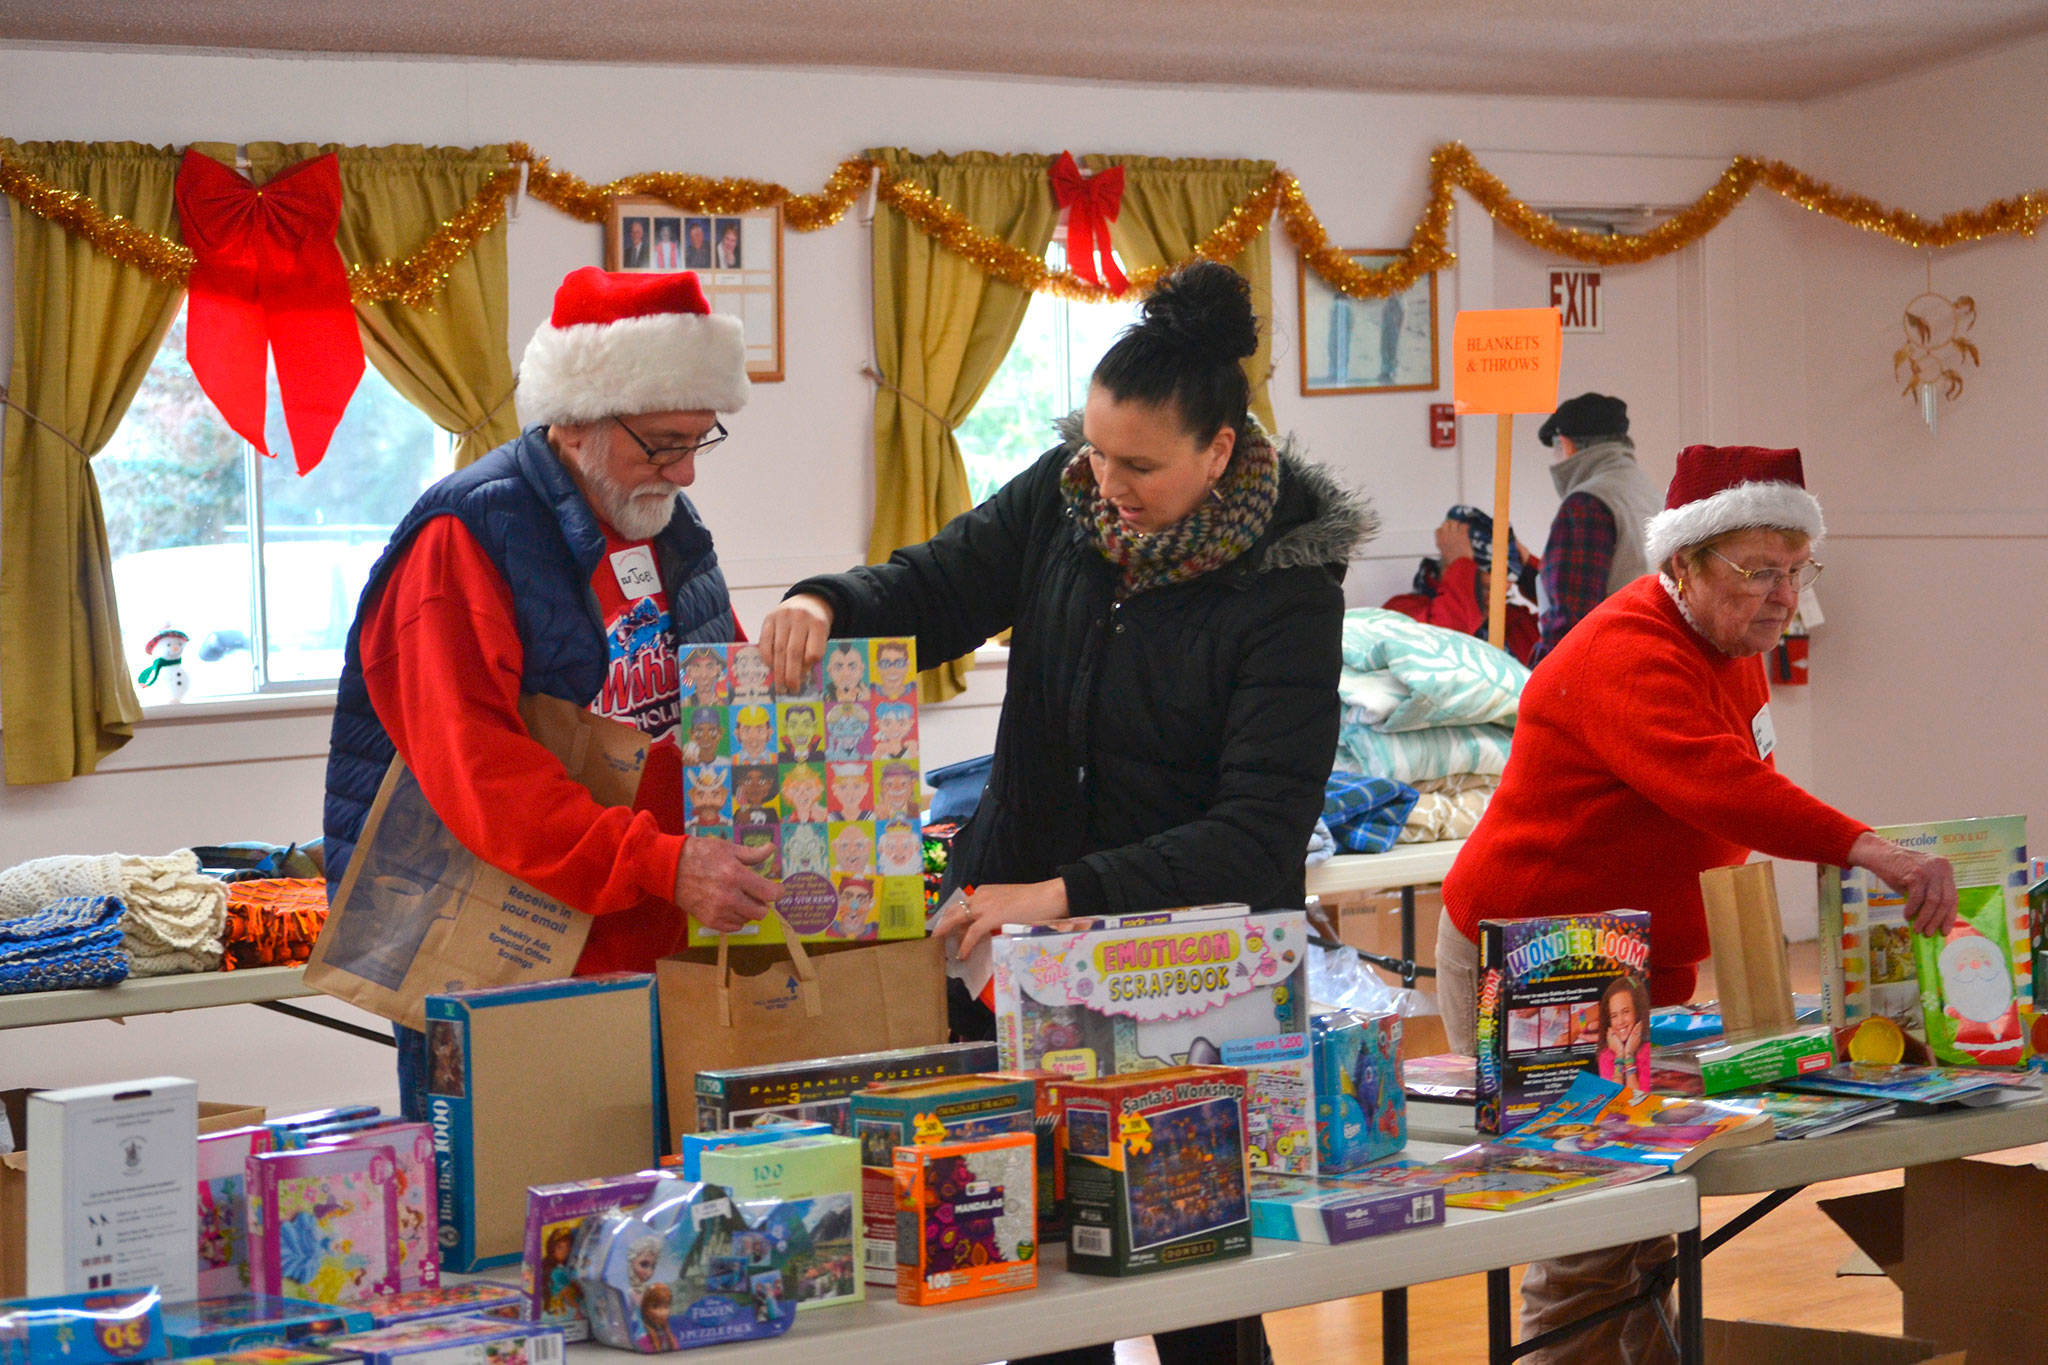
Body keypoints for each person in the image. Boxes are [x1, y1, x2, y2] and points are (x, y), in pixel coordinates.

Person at [760, 261, 1372, 1365]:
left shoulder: (1285, 589)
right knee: (1033, 1271)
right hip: (1015, 967)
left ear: (1219, 451)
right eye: (1092, 450)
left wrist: (1062, 895)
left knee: (1197, 1281)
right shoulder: (1061, 497)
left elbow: (1257, 834)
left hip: (1185, 984)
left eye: (1137, 464)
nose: (1105, 482)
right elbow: (937, 584)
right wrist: (827, 602)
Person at [1435, 443, 1958, 1364]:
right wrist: (1868, 846)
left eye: (1798, 571)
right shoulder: (1630, 648)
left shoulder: (1732, 643)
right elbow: (1721, 785)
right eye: (1759, 571)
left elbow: (1739, 779)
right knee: (1591, 1242)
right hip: (1536, 960)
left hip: (1630, 969)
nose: (1785, 596)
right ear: (1682, 562)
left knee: (1640, 1238)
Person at [323, 268, 779, 1093]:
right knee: (513, 1218)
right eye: (664, 443)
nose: (686, 474)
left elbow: (726, 698)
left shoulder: (664, 524)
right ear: (574, 422)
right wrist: (658, 861)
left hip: (653, 947)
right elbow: (480, 771)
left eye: (698, 440)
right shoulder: (464, 538)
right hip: (513, 965)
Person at [1531, 391, 1661, 663]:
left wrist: (1536, 684)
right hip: (1644, 655)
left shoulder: (1586, 504)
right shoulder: (1645, 490)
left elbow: (1570, 622)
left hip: (1603, 666)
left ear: (1566, 445)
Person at [1382, 503, 1540, 664]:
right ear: (1453, 570)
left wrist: (1531, 573)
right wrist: (1460, 561)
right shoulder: (1402, 611)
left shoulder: (1517, 622)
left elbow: (1564, 621)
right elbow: (1443, 650)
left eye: (1504, 591)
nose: (1495, 599)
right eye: (1486, 588)